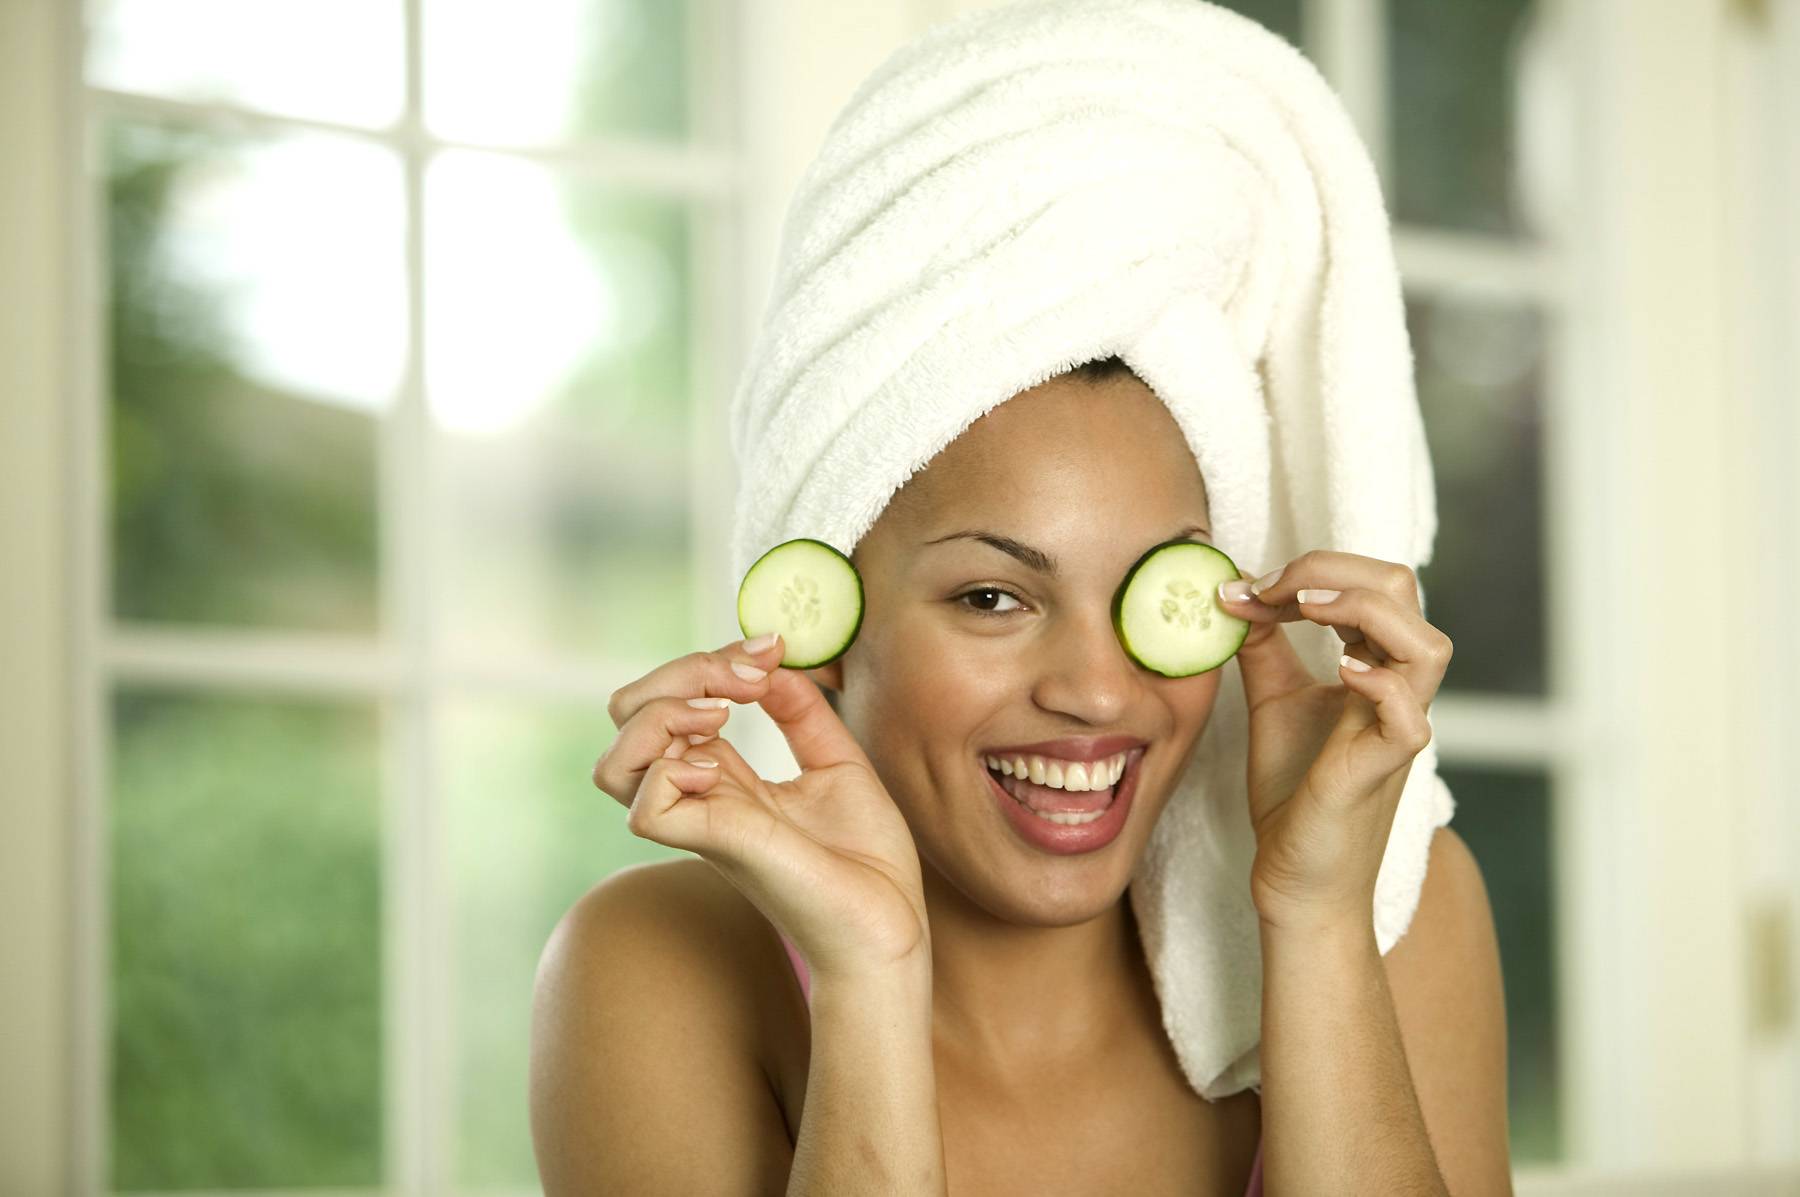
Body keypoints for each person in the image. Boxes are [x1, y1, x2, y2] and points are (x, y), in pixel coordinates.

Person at [538, 356, 1511, 1194]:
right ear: (822, 627)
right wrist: (868, 981)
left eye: (1159, 594)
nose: (1096, 692)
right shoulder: (656, 961)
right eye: (993, 597)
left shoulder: (1395, 916)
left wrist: (1318, 924)